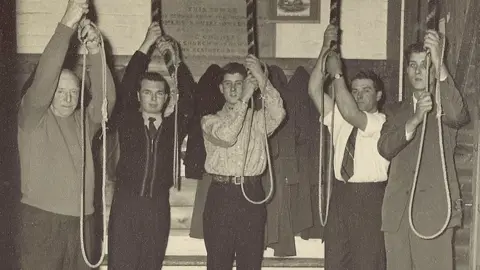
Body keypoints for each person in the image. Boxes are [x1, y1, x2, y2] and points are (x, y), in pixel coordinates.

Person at [16, 0, 116, 269]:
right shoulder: (32, 115)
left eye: (73, 92)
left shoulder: (85, 122)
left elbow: (107, 100)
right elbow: (45, 77)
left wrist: (95, 50)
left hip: (83, 222)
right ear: (49, 94)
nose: (68, 98)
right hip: (42, 220)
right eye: (60, 91)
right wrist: (67, 24)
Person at [377, 30, 469, 270]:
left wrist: (439, 64)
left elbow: (459, 115)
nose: (418, 71)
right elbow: (385, 148)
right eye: (412, 65)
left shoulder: (444, 108)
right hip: (397, 219)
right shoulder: (395, 112)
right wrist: (414, 121)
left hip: (433, 215)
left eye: (424, 65)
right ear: (406, 71)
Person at [107, 22, 195, 270]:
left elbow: (190, 98)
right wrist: (146, 45)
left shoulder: (173, 127)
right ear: (139, 96)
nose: (154, 98)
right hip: (126, 205)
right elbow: (125, 88)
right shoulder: (128, 121)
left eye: (159, 93)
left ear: (167, 98)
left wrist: (173, 60)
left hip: (157, 208)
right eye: (147, 92)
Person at [308, 25, 389, 270]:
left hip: (370, 199)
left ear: (379, 95)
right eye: (355, 91)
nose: (360, 95)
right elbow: (313, 90)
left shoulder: (380, 122)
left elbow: (353, 113)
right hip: (341, 197)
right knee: (336, 262)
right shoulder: (340, 118)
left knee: (367, 264)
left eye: (366, 90)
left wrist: (338, 75)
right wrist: (325, 47)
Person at [201, 57, 285, 270]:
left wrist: (261, 78)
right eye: (228, 84)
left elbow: (279, 112)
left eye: (239, 83)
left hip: (252, 194)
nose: (233, 88)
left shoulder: (258, 120)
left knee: (251, 263)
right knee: (218, 264)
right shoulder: (210, 121)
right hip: (221, 196)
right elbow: (227, 136)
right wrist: (246, 95)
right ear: (221, 88)